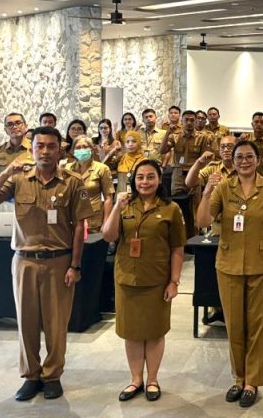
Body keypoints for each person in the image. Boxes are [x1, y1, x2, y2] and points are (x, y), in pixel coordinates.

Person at [0, 126, 94, 402]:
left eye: (51, 146)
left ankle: (52, 376)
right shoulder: (18, 179)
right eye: (40, 146)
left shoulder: (73, 182)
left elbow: (80, 226)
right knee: (26, 322)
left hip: (59, 260)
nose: (45, 152)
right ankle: (31, 376)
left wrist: (75, 266)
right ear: (32, 149)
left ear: (60, 150)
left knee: (56, 324)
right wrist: (6, 172)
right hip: (24, 260)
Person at [197, 141, 263, 408]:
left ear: (258, 160)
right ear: (232, 160)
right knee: (234, 325)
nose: (244, 161)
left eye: (249, 156)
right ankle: (239, 378)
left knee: (258, 326)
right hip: (229, 265)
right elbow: (203, 221)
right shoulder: (223, 187)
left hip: (262, 266)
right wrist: (207, 192)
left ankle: (252, 382)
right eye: (239, 157)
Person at [102, 159, 185, 403]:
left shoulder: (171, 209)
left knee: (155, 332)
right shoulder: (125, 205)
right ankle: (136, 379)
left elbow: (177, 248)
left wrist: (174, 281)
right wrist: (116, 208)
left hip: (157, 279)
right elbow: (108, 235)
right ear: (133, 180)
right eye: (140, 177)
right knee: (132, 332)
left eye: (150, 177)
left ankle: (152, 380)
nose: (145, 182)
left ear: (159, 179)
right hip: (127, 278)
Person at [64, 136, 114, 234]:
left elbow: (108, 198)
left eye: (85, 147)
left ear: (91, 149)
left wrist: (106, 223)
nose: (81, 150)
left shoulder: (102, 168)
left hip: (95, 221)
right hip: (72, 220)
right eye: (78, 147)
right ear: (73, 151)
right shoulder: (67, 169)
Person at [160, 110, 210, 195]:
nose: (189, 122)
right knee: (177, 199)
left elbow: (204, 159)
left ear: (195, 121)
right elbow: (162, 151)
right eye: (186, 120)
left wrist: (200, 175)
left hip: (194, 173)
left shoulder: (202, 137)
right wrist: (168, 133)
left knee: (194, 200)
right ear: (181, 121)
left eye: (192, 120)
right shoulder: (175, 136)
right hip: (178, 174)